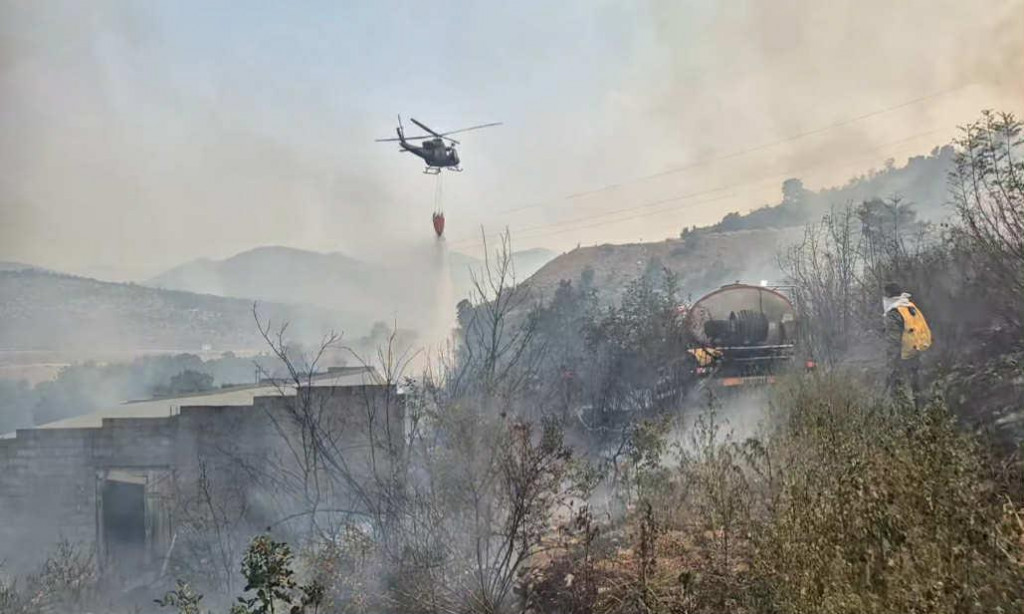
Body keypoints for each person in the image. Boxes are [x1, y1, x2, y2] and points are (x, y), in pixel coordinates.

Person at [883, 282, 932, 405]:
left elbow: (893, 342)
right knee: (917, 387)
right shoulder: (910, 306)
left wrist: (891, 366)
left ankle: (904, 417)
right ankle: (920, 413)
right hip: (918, 351)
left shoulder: (894, 313)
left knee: (899, 390)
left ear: (888, 295)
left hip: (903, 357)